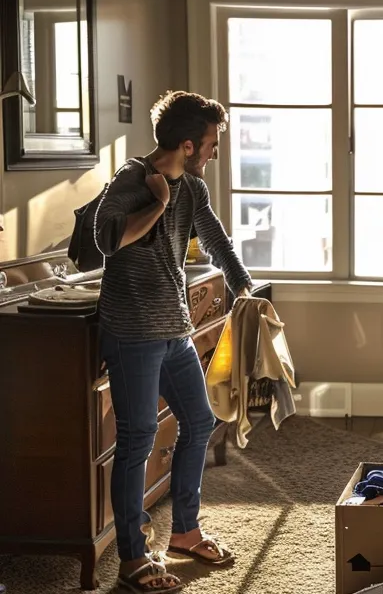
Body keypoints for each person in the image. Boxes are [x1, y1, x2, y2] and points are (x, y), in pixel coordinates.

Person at [95, 90, 253, 593]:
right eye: (211, 143)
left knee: (200, 420)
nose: (214, 152)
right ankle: (132, 556)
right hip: (132, 331)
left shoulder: (194, 188)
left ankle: (184, 531)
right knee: (138, 438)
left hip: (173, 328)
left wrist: (244, 287)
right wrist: (159, 203)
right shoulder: (133, 179)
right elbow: (105, 239)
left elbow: (215, 239)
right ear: (187, 145)